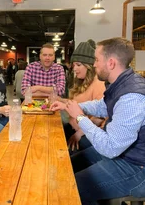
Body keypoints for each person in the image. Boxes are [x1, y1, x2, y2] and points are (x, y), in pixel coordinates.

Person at [50, 37, 145, 204]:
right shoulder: (120, 83)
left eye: (96, 60)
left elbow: (110, 148)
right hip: (122, 154)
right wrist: (70, 106)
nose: (93, 64)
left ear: (111, 63)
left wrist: (79, 117)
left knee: (65, 188)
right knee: (65, 167)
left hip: (135, 167)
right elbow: (101, 106)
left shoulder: (131, 98)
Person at [58, 40, 105, 152]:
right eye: (74, 65)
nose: (74, 69)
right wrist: (60, 100)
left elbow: (99, 118)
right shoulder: (81, 81)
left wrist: (78, 134)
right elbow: (77, 104)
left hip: (87, 134)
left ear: (89, 66)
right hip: (74, 127)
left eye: (78, 65)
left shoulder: (99, 84)